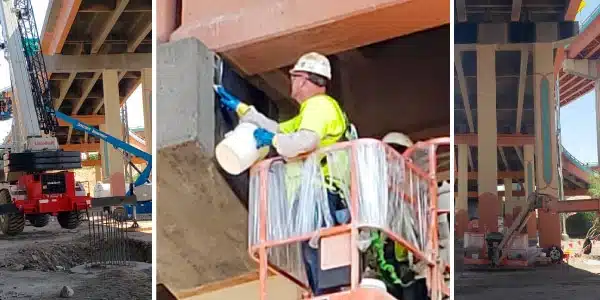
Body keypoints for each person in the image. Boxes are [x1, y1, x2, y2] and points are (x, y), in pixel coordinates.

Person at [215, 52, 355, 296]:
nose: (292, 83)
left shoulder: (319, 106)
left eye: (293, 77)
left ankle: (329, 294)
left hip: (322, 193)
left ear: (302, 79)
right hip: (317, 195)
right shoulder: (309, 113)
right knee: (315, 257)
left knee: (321, 259)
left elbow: (302, 142)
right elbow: (279, 130)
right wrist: (241, 109)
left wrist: (273, 140)